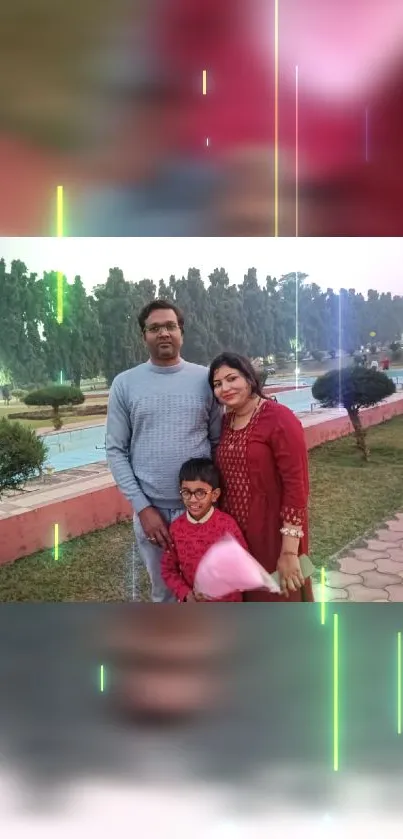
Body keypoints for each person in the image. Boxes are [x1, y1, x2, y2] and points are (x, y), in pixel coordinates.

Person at [106, 299, 222, 602]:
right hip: (152, 513)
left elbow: (217, 442)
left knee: (208, 590)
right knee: (165, 594)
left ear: (181, 332)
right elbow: (116, 450)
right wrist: (143, 508)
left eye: (170, 326)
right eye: (154, 328)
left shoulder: (205, 379)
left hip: (202, 510)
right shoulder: (125, 384)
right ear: (144, 336)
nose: (163, 333)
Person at [208, 352, 314, 602]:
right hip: (235, 536)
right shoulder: (226, 422)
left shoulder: (279, 418)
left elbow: (296, 487)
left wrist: (289, 552)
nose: (225, 388)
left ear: (249, 378)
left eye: (231, 378)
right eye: (217, 384)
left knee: (277, 601)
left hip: (272, 535)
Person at [161, 457, 247, 602]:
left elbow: (243, 567)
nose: (193, 499)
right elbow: (168, 570)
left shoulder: (227, 526)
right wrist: (186, 594)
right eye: (186, 492)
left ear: (214, 495)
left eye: (200, 493)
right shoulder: (176, 528)